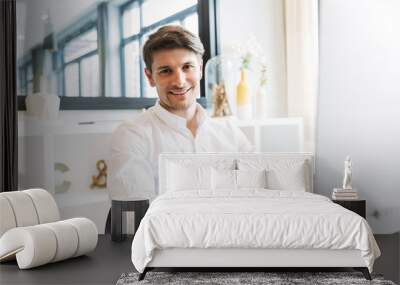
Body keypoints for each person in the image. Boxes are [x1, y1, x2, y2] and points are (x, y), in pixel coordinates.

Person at [108, 25, 252, 200]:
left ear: (200, 69)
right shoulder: (132, 135)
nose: (179, 81)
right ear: (150, 77)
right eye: (166, 71)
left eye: (187, 67)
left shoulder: (230, 133)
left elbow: (254, 195)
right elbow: (137, 215)